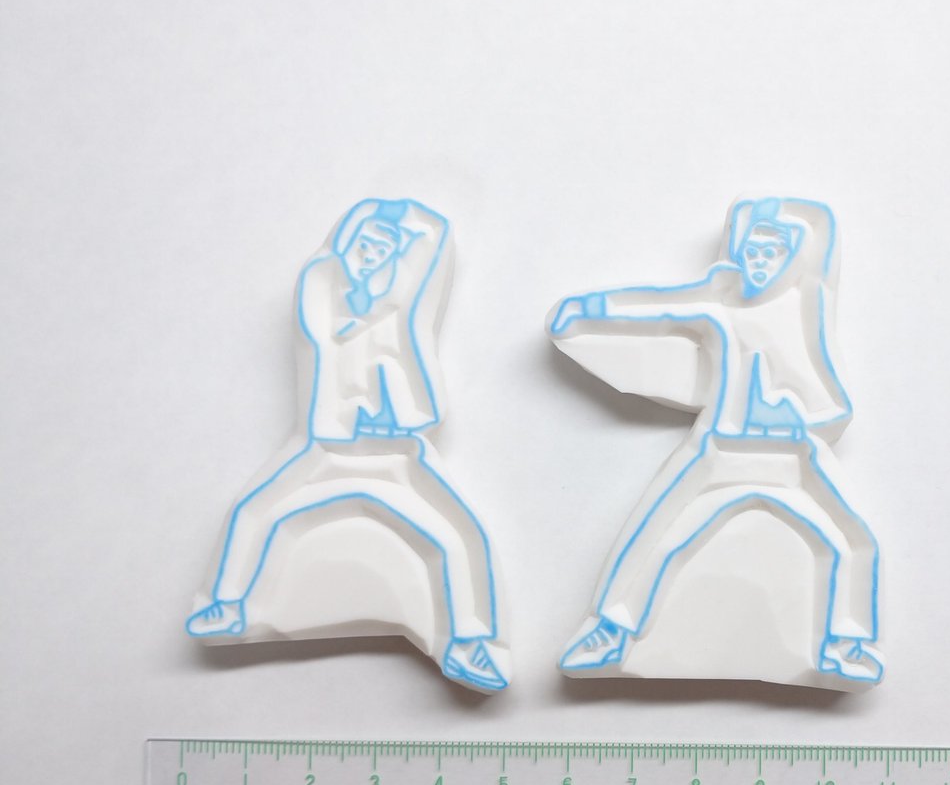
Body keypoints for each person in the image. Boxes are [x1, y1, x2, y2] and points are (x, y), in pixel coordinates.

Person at [549, 197, 881, 684]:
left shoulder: (801, 315)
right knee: (660, 535)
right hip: (721, 453)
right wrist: (589, 310)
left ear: (793, 261)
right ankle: (611, 631)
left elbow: (834, 404)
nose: (760, 263)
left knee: (848, 542)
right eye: (753, 252)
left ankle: (846, 643)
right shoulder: (720, 308)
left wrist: (800, 411)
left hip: (793, 456)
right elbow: (661, 306)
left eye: (772, 254)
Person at [187, 199, 506, 691]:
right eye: (364, 244)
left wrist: (403, 232)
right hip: (325, 451)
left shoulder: (397, 318)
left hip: (398, 454)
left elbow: (429, 247)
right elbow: (324, 303)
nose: (370, 256)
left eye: (383, 250)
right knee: (259, 513)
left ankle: (469, 640)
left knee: (457, 537)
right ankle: (226, 605)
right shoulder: (325, 294)